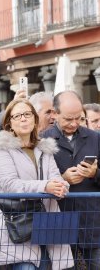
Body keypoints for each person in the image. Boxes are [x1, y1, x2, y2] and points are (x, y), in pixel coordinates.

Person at [0, 99, 73, 269]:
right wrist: (45, 186)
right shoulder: (2, 148)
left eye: (27, 114)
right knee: (26, 266)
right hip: (18, 221)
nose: (23, 119)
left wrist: (63, 186)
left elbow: (56, 178)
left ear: (34, 119)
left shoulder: (45, 148)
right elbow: (8, 184)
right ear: (9, 123)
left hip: (48, 221)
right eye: (17, 116)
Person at [41, 91, 100, 268]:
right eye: (68, 119)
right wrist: (62, 178)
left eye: (79, 118)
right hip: (57, 217)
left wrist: (95, 173)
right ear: (55, 113)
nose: (74, 123)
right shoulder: (42, 140)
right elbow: (36, 179)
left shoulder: (95, 138)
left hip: (92, 218)